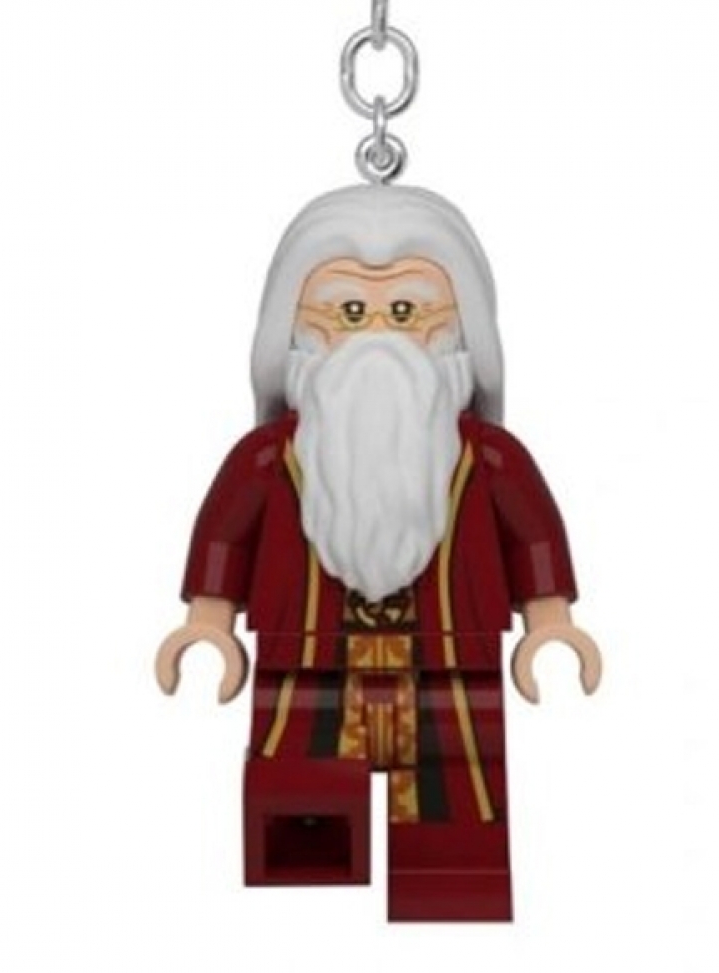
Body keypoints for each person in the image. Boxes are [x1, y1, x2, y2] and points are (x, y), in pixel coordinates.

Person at [155, 184, 602, 921]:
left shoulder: (487, 458)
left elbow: (531, 534)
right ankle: (300, 909)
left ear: (461, 329)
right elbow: (227, 534)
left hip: (451, 663)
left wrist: (550, 624)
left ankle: (448, 891)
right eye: (348, 311)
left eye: (405, 311)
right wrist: (208, 624)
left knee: (457, 808)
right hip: (304, 660)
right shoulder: (271, 457)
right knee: (296, 805)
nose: (376, 336)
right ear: (292, 329)